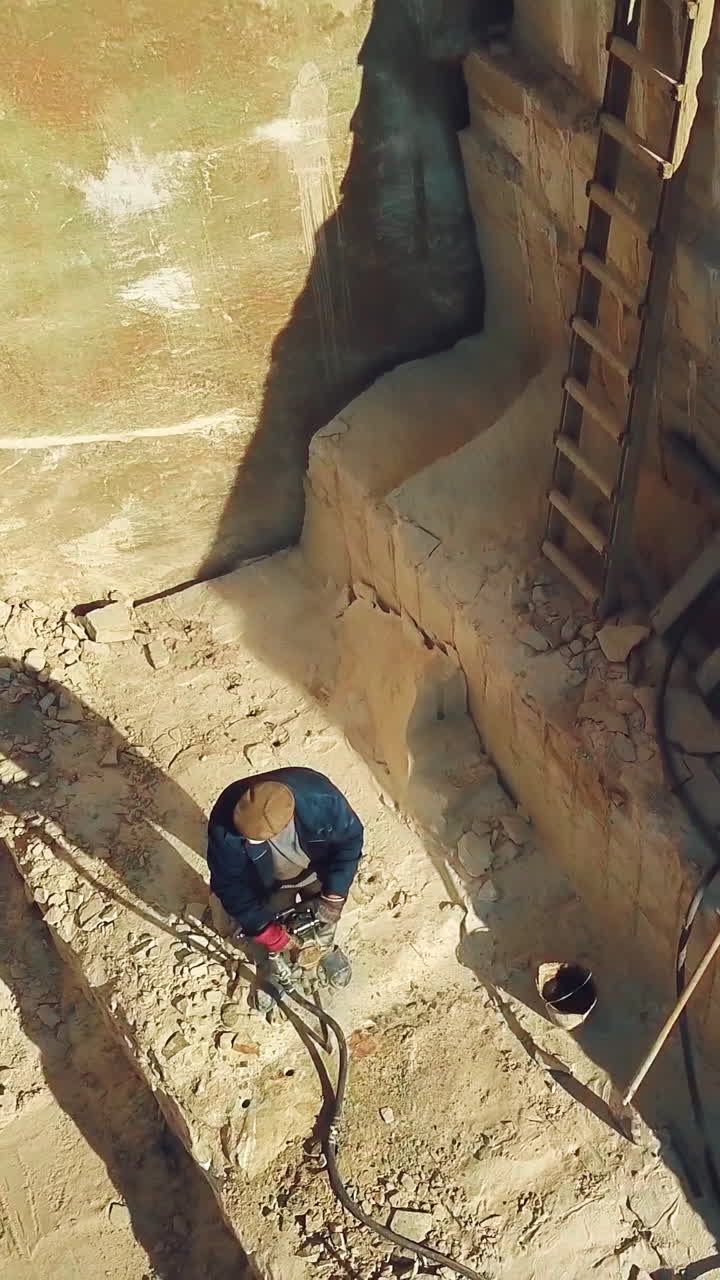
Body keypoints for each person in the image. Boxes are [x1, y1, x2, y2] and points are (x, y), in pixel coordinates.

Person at [206, 767, 363, 997]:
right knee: (275, 919)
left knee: (325, 916)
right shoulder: (226, 825)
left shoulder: (320, 798)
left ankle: (325, 948)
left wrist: (334, 896)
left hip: (315, 869)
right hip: (268, 880)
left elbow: (350, 840)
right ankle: (274, 966)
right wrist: (264, 930)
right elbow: (229, 885)